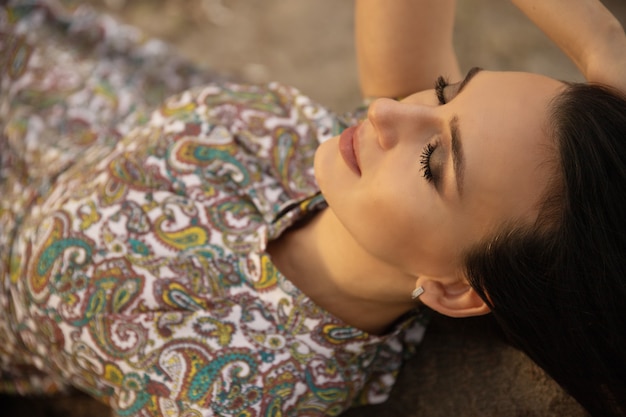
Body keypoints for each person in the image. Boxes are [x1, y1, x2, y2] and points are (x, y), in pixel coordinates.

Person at [1, 0, 625, 416]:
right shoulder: (360, 164)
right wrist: (601, 39)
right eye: (444, 91)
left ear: (457, 292)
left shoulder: (238, 389)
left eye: (433, 162)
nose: (386, 113)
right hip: (52, 80)